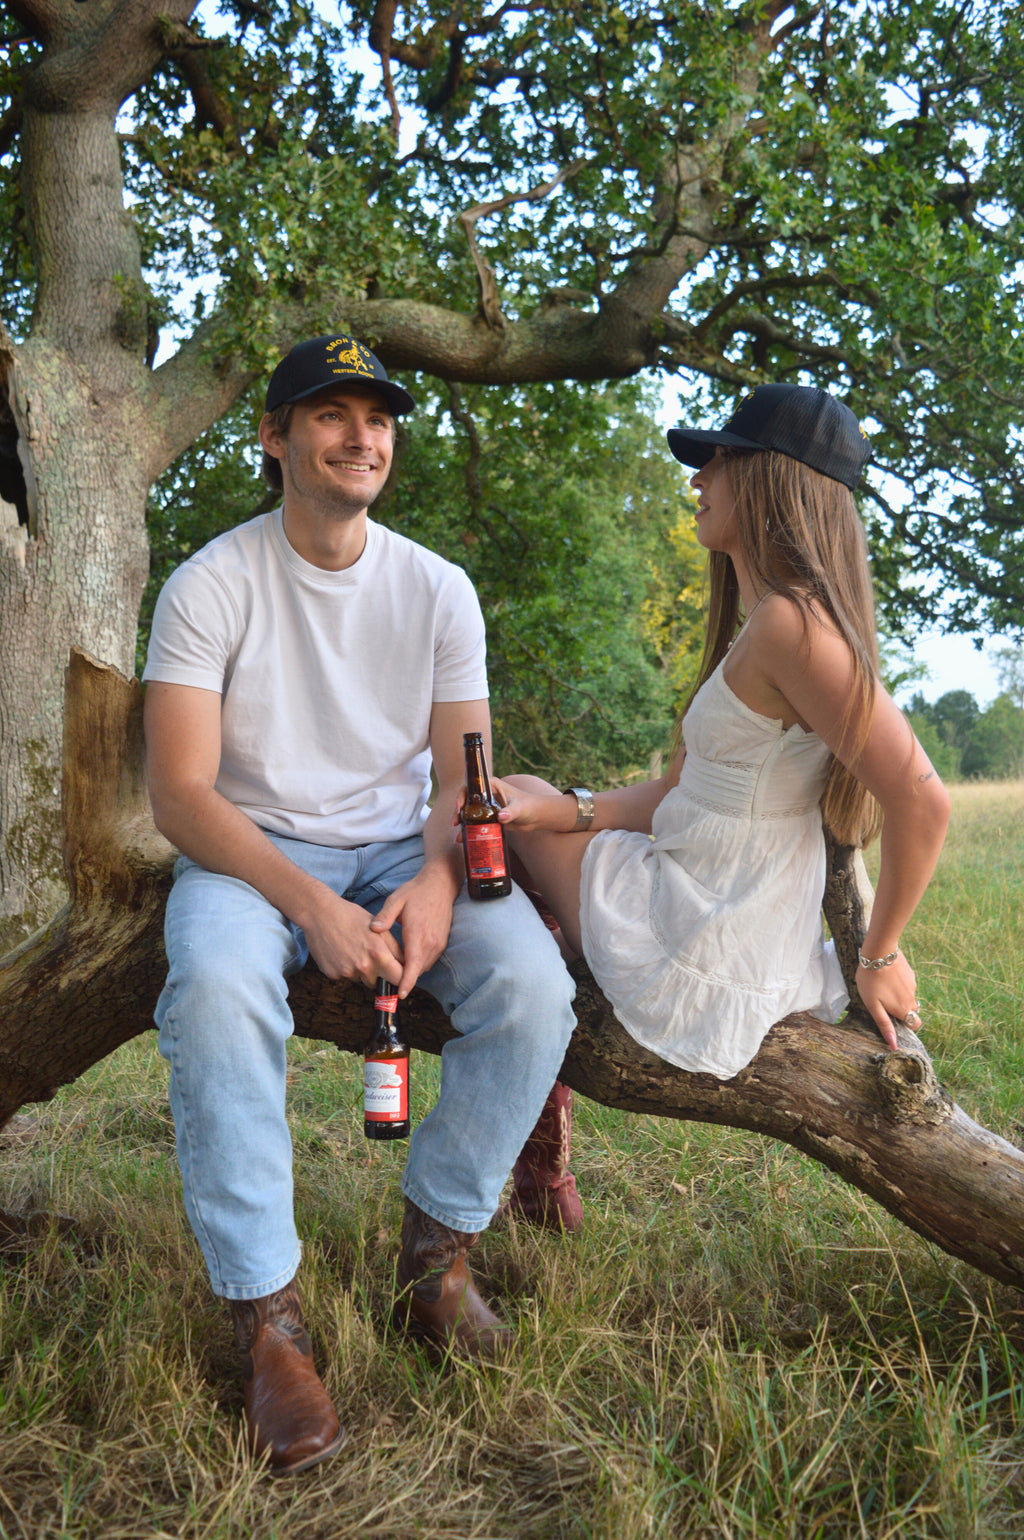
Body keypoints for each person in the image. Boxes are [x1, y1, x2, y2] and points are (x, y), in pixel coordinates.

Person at [142, 333, 577, 1476]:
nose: (361, 435)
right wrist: (309, 907)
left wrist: (436, 882)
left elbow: (461, 782)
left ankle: (433, 1259)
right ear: (275, 438)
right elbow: (181, 794)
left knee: (533, 989)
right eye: (329, 415)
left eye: (378, 417)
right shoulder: (210, 583)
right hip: (249, 853)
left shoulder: (436, 588)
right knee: (220, 986)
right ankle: (269, 1323)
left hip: (403, 847)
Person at [487, 384, 951, 1081]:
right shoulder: (772, 624)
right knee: (515, 805)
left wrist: (879, 953)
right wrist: (563, 809)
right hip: (708, 909)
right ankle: (541, 1117)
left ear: (771, 479)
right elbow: (676, 791)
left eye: (721, 461)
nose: (698, 478)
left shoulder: (791, 624)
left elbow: (923, 800)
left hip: (701, 942)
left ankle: (527, 1104)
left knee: (488, 849)